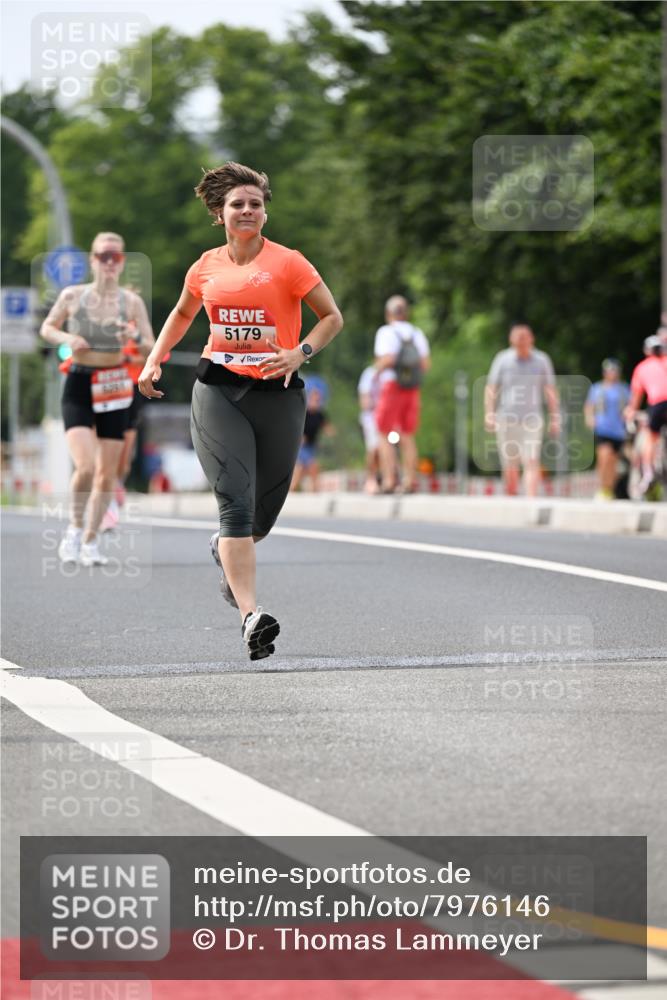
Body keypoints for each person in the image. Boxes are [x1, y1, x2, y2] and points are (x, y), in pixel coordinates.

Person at [138, 162, 343, 661]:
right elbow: (182, 312)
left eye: (255, 204)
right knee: (235, 503)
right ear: (220, 213)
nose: (247, 210)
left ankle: (224, 550)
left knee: (261, 518)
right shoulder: (205, 266)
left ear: (265, 213)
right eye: (237, 204)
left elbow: (331, 317)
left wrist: (300, 353)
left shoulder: (290, 263)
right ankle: (251, 616)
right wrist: (154, 358)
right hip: (219, 391)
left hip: (279, 394)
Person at [40, 232, 155, 565]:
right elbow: (47, 328)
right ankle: (74, 529)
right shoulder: (73, 295)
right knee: (86, 466)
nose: (109, 262)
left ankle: (91, 541)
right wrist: (67, 338)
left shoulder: (131, 303)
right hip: (79, 381)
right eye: (103, 256)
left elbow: (151, 345)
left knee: (107, 473)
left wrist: (133, 335)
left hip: (114, 383)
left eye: (115, 257)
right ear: (92, 260)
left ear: (122, 262)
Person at [484, 323, 560, 497]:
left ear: (531, 339)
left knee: (531, 460)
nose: (521, 342)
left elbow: (550, 390)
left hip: (532, 419)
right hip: (507, 418)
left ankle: (530, 500)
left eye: (524, 338)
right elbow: (491, 388)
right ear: (511, 341)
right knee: (510, 464)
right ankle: (512, 496)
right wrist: (489, 413)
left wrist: (555, 418)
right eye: (518, 339)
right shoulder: (502, 359)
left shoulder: (542, 360)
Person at [373, 296, 430, 492]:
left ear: (388, 313)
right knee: (407, 434)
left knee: (383, 432)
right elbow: (425, 364)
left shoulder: (386, 332)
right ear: (407, 313)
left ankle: (389, 480)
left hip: (392, 385)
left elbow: (387, 359)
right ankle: (410, 480)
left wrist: (377, 369)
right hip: (412, 387)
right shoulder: (416, 333)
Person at [624, 334, 667, 495]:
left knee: (650, 437)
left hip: (657, 404)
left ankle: (648, 473)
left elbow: (636, 398)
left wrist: (630, 412)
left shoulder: (642, 367)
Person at [584, 358, 630, 500]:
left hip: (619, 430)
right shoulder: (597, 388)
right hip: (603, 428)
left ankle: (609, 490)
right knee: (604, 457)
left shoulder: (624, 389)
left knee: (613, 462)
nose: (612, 373)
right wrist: (589, 418)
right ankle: (603, 488)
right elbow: (589, 406)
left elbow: (630, 406)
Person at [290, 385, 334, 492]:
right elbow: (295, 425)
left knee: (302, 469)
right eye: (314, 399)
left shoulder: (320, 414)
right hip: (301, 445)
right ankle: (314, 489)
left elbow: (326, 426)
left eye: (318, 399)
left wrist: (330, 431)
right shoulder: (304, 412)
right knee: (311, 465)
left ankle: (294, 490)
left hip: (311, 445)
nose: (316, 401)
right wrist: (299, 436)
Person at [357, 362, 381, 493]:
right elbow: (364, 399)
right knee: (373, 449)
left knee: (387, 449)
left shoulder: (389, 374)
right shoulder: (369, 374)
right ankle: (370, 478)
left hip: (386, 418)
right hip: (371, 418)